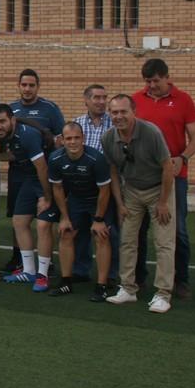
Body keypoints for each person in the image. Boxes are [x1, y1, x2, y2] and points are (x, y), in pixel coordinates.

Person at [132, 58, 195, 301]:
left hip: (174, 176)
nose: (151, 85)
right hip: (142, 177)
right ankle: (138, 278)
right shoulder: (136, 100)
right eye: (148, 81)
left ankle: (180, 280)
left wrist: (183, 157)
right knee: (139, 229)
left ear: (167, 77)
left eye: (156, 81)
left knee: (178, 229)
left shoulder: (184, 100)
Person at [103, 94, 176, 314]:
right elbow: (113, 172)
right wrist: (120, 203)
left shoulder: (151, 132)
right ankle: (127, 288)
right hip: (131, 191)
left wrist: (163, 202)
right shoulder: (108, 138)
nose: (119, 116)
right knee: (127, 241)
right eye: (114, 112)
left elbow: (167, 167)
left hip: (158, 190)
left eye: (123, 111)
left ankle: (163, 294)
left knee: (163, 243)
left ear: (133, 112)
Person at [4, 68, 64, 272]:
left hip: (41, 170)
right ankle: (18, 257)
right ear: (18, 86)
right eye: (24, 85)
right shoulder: (11, 109)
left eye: (31, 85)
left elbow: (60, 138)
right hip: (18, 171)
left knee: (44, 216)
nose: (27, 89)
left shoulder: (50, 108)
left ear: (38, 86)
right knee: (16, 214)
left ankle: (48, 260)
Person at [47, 122, 114, 301]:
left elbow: (105, 191)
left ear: (83, 139)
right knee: (66, 233)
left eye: (77, 138)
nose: (73, 142)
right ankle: (66, 282)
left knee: (101, 236)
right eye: (68, 138)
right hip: (76, 199)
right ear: (62, 140)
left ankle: (102, 286)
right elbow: (58, 189)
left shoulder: (96, 159)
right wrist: (64, 217)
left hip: (97, 200)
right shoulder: (55, 158)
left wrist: (99, 219)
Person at [0, 103, 54, 290]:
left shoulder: (27, 135)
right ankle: (29, 271)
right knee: (19, 221)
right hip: (29, 177)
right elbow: (5, 155)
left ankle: (42, 275)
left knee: (43, 225)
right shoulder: (4, 136)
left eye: (2, 121)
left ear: (12, 120)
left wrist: (46, 197)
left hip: (47, 178)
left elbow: (42, 167)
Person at [72, 84, 117, 283]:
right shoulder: (77, 124)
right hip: (81, 185)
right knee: (79, 231)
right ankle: (80, 270)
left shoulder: (114, 124)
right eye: (96, 98)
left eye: (104, 98)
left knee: (108, 233)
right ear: (86, 100)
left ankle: (111, 274)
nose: (101, 102)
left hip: (106, 186)